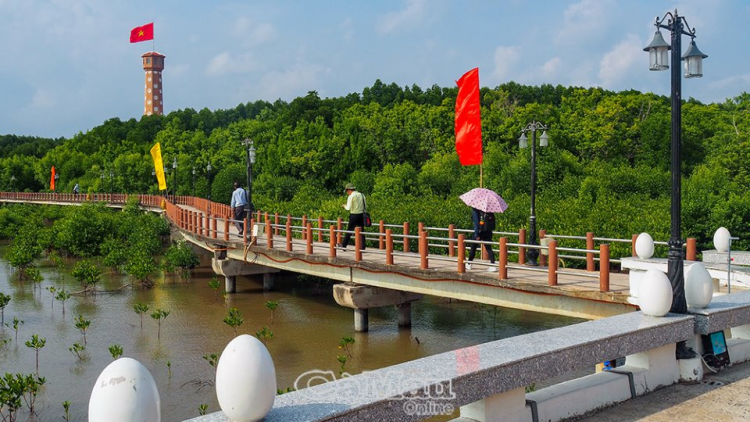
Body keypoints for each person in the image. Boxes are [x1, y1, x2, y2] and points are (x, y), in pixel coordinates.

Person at [466, 207, 496, 272]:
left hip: (480, 232)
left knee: (473, 248)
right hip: (488, 231)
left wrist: (476, 234)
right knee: (489, 248)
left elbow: (476, 223)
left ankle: (469, 263)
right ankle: (493, 265)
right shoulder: (489, 209)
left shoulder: (476, 209)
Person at [338, 183, 366, 250]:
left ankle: (344, 245)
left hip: (354, 214)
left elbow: (348, 208)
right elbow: (365, 206)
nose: (347, 193)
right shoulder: (362, 195)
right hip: (361, 214)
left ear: (348, 190)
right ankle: (363, 246)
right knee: (361, 230)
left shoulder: (351, 196)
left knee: (350, 230)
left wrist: (344, 206)